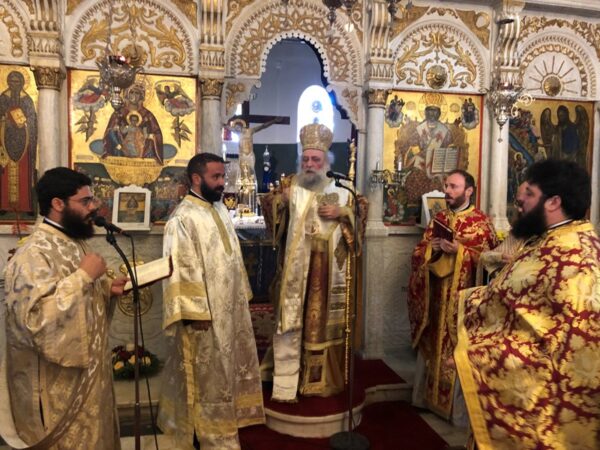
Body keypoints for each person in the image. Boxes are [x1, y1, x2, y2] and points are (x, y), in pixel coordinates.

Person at [455, 160, 600, 449]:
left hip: (549, 415)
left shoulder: (575, 258)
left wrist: (478, 356)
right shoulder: (549, 239)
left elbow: (570, 346)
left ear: (554, 202)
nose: (519, 200)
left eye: (530, 193)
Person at [0, 167, 127, 449]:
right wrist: (83, 277)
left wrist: (106, 289)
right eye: (85, 201)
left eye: (93, 199)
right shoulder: (34, 253)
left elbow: (77, 298)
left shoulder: (73, 242)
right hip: (58, 388)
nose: (93, 207)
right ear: (58, 204)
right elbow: (33, 322)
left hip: (90, 377)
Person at [158, 153, 265, 449]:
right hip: (204, 318)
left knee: (227, 370)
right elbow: (181, 268)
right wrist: (196, 315)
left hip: (229, 309)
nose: (222, 184)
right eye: (216, 177)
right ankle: (209, 435)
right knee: (207, 379)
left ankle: (228, 420)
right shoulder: (182, 219)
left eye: (223, 177)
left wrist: (241, 296)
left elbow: (232, 257)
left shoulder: (218, 208)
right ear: (196, 178)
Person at [263, 123, 367, 401]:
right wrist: (280, 201)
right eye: (306, 159)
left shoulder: (342, 188)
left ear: (326, 162)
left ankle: (320, 379)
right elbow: (270, 210)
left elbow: (361, 215)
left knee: (320, 322)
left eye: (315, 160)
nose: (309, 164)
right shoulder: (290, 185)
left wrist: (343, 212)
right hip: (295, 269)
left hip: (326, 269)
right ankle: (287, 376)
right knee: (292, 316)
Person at [407, 169, 498, 424]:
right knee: (433, 344)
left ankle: (454, 411)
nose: (447, 191)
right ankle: (425, 399)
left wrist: (460, 251)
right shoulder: (439, 218)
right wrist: (431, 249)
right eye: (446, 185)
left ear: (469, 191)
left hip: (462, 303)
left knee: (456, 346)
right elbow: (418, 253)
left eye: (453, 186)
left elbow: (490, 263)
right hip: (436, 298)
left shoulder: (481, 223)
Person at [0, 70, 38, 214]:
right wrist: (5, 120)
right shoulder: (3, 98)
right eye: (11, 81)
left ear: (22, 83)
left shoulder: (27, 99)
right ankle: (4, 206)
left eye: (17, 82)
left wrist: (23, 122)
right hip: (4, 139)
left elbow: (32, 119)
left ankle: (26, 206)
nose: (14, 84)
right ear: (8, 82)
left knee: (23, 172)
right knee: (4, 171)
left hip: (24, 140)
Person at [102, 84, 163, 163]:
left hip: (141, 147)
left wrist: (150, 136)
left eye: (137, 93)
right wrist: (118, 129)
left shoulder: (147, 115)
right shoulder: (119, 112)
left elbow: (157, 133)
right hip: (124, 146)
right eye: (131, 92)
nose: (134, 95)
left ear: (141, 96)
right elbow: (110, 131)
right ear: (127, 95)